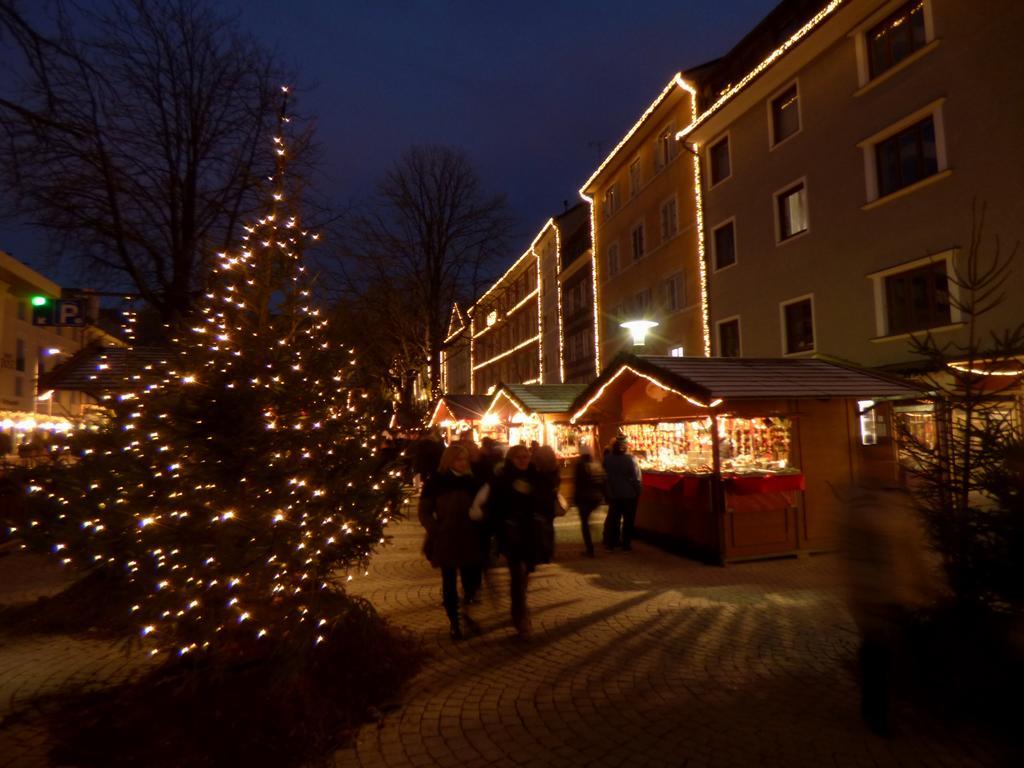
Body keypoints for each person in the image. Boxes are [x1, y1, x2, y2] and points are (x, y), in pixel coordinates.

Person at [417, 444, 484, 640]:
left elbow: (485, 505)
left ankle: (466, 612)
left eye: (464, 459)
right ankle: (454, 622)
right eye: (458, 459)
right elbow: (425, 511)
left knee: (471, 580)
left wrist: (481, 517)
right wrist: (436, 529)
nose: (462, 463)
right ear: (449, 461)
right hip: (446, 538)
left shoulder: (472, 482)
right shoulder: (437, 482)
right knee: (449, 582)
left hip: (470, 538)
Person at [484, 444, 550, 636]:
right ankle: (521, 616)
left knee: (525, 573)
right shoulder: (503, 478)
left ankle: (518, 609)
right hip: (511, 533)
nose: (523, 460)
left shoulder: (535, 476)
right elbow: (495, 507)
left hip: (531, 533)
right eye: (519, 457)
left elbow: (544, 501)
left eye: (526, 456)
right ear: (511, 459)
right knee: (517, 575)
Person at [602, 435, 642, 550]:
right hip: (629, 494)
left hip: (614, 494)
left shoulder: (608, 459)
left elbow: (605, 477)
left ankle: (612, 542)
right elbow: (635, 478)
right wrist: (638, 490)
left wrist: (607, 491)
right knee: (628, 520)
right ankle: (626, 544)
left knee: (615, 519)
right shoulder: (630, 459)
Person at [573, 450, 606, 557]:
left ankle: (590, 548)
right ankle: (592, 542)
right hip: (595, 497)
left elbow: (578, 483)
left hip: (584, 498)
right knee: (587, 521)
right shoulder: (595, 464)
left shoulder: (580, 466)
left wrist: (575, 498)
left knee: (585, 523)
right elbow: (602, 480)